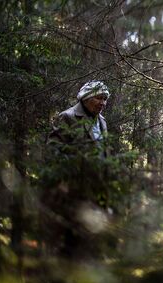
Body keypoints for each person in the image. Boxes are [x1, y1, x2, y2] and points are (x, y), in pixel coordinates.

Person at [44, 80, 111, 257]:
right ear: (87, 97)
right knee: (71, 234)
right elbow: (53, 151)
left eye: (105, 99)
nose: (103, 103)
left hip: (96, 188)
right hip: (73, 189)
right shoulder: (68, 117)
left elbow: (104, 152)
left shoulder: (102, 121)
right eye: (99, 98)